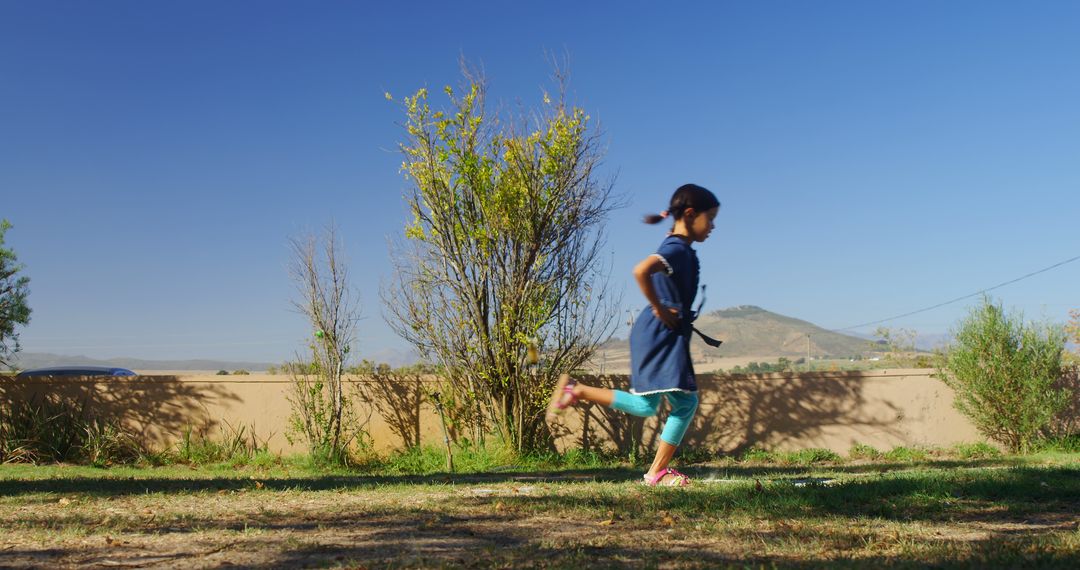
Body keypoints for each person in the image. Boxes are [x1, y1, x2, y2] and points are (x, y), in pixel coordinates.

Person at [547, 183, 720, 486]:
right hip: (659, 333)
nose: (713, 226)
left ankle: (578, 390)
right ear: (691, 215)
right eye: (711, 218)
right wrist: (661, 308)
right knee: (685, 403)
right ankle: (655, 473)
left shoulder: (681, 249)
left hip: (662, 333)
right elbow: (641, 270)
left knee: (649, 406)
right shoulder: (677, 248)